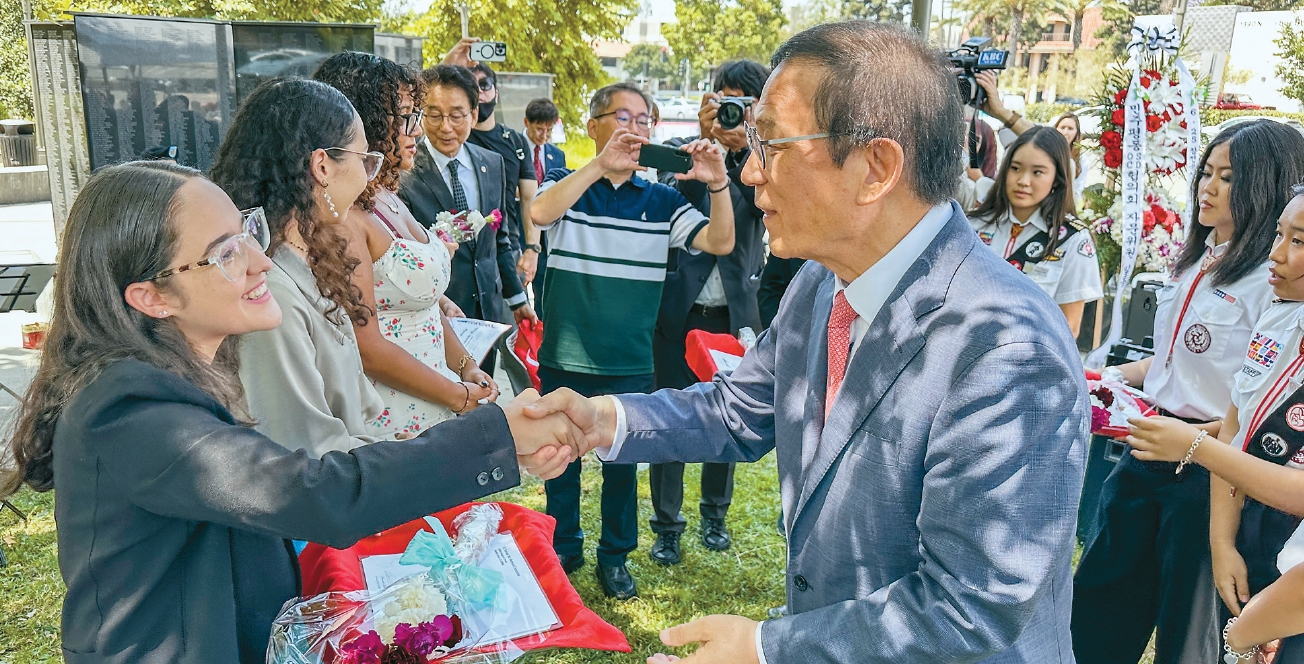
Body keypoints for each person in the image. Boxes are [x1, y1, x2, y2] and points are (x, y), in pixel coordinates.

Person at [527, 20, 1086, 663]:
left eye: (771, 145)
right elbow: (739, 408)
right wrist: (601, 420)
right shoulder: (823, 281)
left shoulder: (1005, 347)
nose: (750, 171)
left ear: (876, 168)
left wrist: (767, 649)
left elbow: (972, 609)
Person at [1, 160, 578, 664]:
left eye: (246, 232)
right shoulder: (128, 407)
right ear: (152, 296)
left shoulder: (172, 373)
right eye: (225, 254)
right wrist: (497, 436)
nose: (259, 261)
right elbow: (312, 492)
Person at [1071, 120, 1304, 664]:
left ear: (1265, 184)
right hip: (1154, 444)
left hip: (1212, 472)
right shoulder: (1202, 258)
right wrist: (1110, 380)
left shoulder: (1273, 285)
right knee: (1100, 607)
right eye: (1206, 172)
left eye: (1228, 177)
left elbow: (1248, 408)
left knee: (1189, 629)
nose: (1208, 187)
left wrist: (1197, 444)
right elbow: (1172, 360)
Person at [528, 81, 736, 600]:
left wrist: (717, 184)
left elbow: (721, 241)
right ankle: (563, 548)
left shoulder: (663, 200)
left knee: (621, 466)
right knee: (560, 461)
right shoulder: (568, 183)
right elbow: (539, 213)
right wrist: (599, 166)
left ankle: (615, 556)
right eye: (622, 117)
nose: (635, 129)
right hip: (566, 355)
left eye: (644, 120)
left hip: (630, 360)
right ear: (593, 126)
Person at [1125, 184, 1304, 664]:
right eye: (1279, 234)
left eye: (1299, 241)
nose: (1277, 254)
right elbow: (1236, 427)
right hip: (1249, 521)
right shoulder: (1278, 316)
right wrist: (1223, 544)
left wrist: (1195, 446)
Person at [312, 52, 498, 437]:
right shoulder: (344, 217)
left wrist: (466, 366)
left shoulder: (387, 195)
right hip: (393, 414)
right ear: (365, 123)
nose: (418, 130)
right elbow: (367, 347)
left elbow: (423, 306)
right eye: (406, 117)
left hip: (438, 393)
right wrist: (457, 394)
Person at [210, 78, 388, 456]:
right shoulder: (269, 289)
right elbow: (304, 451)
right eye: (364, 159)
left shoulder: (308, 255)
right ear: (321, 166)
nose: (367, 176)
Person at [647, 59, 770, 566]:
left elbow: (759, 208)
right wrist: (706, 148)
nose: (730, 112)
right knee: (668, 418)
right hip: (679, 313)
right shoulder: (687, 151)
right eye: (723, 101)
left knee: (729, 416)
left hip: (734, 315)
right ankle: (666, 526)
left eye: (741, 102)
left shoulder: (766, 161)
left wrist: (743, 151)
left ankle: (715, 515)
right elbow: (676, 202)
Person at [399, 65, 537, 376]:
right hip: (432, 316)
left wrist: (517, 300)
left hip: (484, 315)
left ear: (474, 115)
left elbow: (499, 240)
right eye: (434, 115)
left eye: (456, 115)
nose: (445, 127)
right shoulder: (405, 171)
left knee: (482, 393)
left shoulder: (492, 163)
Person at [958, 126, 1103, 336]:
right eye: (1015, 168)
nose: (1023, 181)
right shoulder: (973, 224)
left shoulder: (1071, 240)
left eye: (1037, 172)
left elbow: (1069, 329)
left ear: (1057, 179)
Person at [466, 62, 543, 289]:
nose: (479, 92)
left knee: (515, 310)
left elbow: (530, 199)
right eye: (471, 86)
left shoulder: (515, 141)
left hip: (508, 249)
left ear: (496, 92)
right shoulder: (453, 139)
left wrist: (532, 249)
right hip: (462, 250)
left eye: (485, 85)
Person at [523, 97, 567, 310]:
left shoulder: (556, 155)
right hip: (520, 232)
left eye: (549, 130)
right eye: (540, 129)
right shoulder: (513, 148)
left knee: (544, 293)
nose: (544, 135)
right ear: (527, 122)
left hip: (547, 237)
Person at [1054, 112, 1087, 200]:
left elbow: (1078, 190)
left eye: (1070, 128)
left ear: (1077, 132)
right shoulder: (1046, 153)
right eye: (1062, 127)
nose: (1065, 132)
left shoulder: (1082, 160)